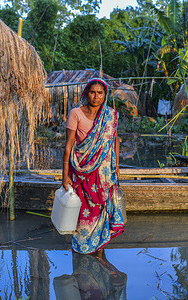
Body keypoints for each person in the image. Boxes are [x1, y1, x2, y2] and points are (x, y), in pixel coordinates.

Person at [62, 78, 124, 255]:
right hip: (81, 170)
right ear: (86, 93)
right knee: (83, 210)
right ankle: (81, 247)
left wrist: (116, 166)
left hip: (104, 171)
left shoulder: (110, 115)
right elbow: (69, 145)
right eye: (92, 92)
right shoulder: (76, 113)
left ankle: (99, 247)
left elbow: (115, 141)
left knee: (102, 207)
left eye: (100, 93)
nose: (96, 96)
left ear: (105, 95)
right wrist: (64, 175)